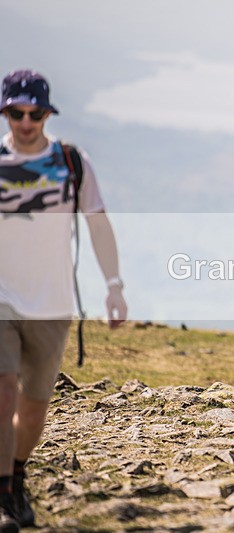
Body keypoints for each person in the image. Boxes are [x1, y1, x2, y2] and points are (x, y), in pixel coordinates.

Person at [0, 69, 127, 531]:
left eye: (35, 113)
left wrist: (114, 286)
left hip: (52, 304)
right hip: (2, 299)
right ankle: (2, 493)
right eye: (17, 113)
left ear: (48, 114)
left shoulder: (72, 163)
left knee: (33, 407)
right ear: (5, 112)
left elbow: (97, 222)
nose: (27, 121)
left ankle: (15, 476)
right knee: (4, 388)